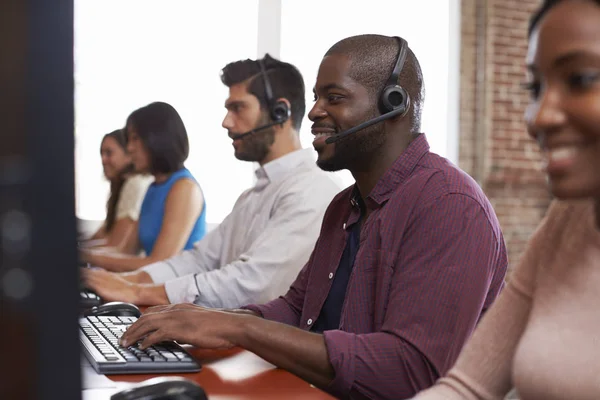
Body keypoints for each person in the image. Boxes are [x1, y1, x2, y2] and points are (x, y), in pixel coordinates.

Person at [118, 35, 508, 400]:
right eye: (318, 97)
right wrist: (209, 319)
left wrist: (238, 327)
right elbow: (296, 309)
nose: (315, 112)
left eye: (334, 98)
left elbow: (410, 371)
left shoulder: (449, 204)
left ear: (394, 105)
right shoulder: (345, 206)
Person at [412, 1, 600, 399]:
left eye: (581, 79)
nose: (538, 116)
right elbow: (467, 387)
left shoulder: (452, 201)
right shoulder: (569, 218)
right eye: (535, 88)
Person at [82, 54, 341, 308]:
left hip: (261, 348)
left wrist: (135, 291)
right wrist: (120, 282)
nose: (226, 122)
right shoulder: (252, 196)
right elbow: (198, 261)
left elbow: (251, 285)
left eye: (237, 108)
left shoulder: (310, 192)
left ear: (279, 112)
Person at [80, 102, 207, 272]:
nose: (130, 148)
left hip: (180, 292)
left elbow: (160, 263)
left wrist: (86, 256)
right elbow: (125, 251)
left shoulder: (185, 188)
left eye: (135, 139)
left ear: (158, 138)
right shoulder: (153, 188)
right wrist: (81, 252)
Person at [80, 129, 154, 253]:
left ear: (128, 155)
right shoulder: (120, 187)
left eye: (109, 153)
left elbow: (114, 245)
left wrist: (74, 253)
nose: (103, 160)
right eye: (101, 154)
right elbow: (103, 234)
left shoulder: (135, 183)